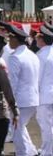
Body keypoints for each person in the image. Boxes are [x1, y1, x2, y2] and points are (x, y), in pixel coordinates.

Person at [6, 24, 40, 156]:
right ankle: (30, 151)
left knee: (16, 130)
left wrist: (10, 102)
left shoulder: (15, 57)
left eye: (10, 38)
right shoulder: (32, 55)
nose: (9, 41)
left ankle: (23, 153)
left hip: (20, 100)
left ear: (16, 40)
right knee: (20, 127)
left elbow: (12, 83)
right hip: (33, 98)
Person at [37, 25, 53, 156]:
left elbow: (37, 79)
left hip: (44, 96)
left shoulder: (41, 55)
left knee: (46, 126)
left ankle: (47, 151)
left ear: (42, 39)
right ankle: (47, 149)